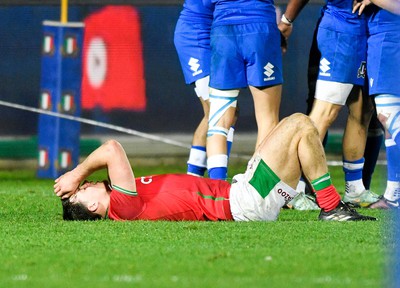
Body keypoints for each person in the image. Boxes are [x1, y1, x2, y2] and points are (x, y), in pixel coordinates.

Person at [54, 113, 376, 222]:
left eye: (83, 185)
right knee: (302, 125)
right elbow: (112, 149)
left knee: (293, 131)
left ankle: (330, 204)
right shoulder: (121, 207)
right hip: (246, 202)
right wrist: (76, 174)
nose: (87, 185)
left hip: (243, 193)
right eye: (84, 191)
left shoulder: (124, 202)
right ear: (94, 206)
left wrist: (80, 179)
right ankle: (331, 206)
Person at [279, 0, 380, 208]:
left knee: (363, 109)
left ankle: (355, 189)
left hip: (366, 33)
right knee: (324, 113)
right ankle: (293, 189)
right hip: (342, 32)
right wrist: (287, 19)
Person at [205, 0, 283, 180]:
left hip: (223, 29)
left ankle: (217, 190)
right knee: (267, 118)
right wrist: (287, 20)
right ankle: (256, 186)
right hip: (259, 27)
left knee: (218, 120)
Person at [173, 0, 235, 177]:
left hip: (213, 35)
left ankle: (194, 178)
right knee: (221, 110)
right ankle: (211, 181)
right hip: (195, 38)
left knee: (216, 113)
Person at [353, 1, 400, 208]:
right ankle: (393, 194)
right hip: (387, 37)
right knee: (390, 124)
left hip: (390, 39)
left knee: (388, 117)